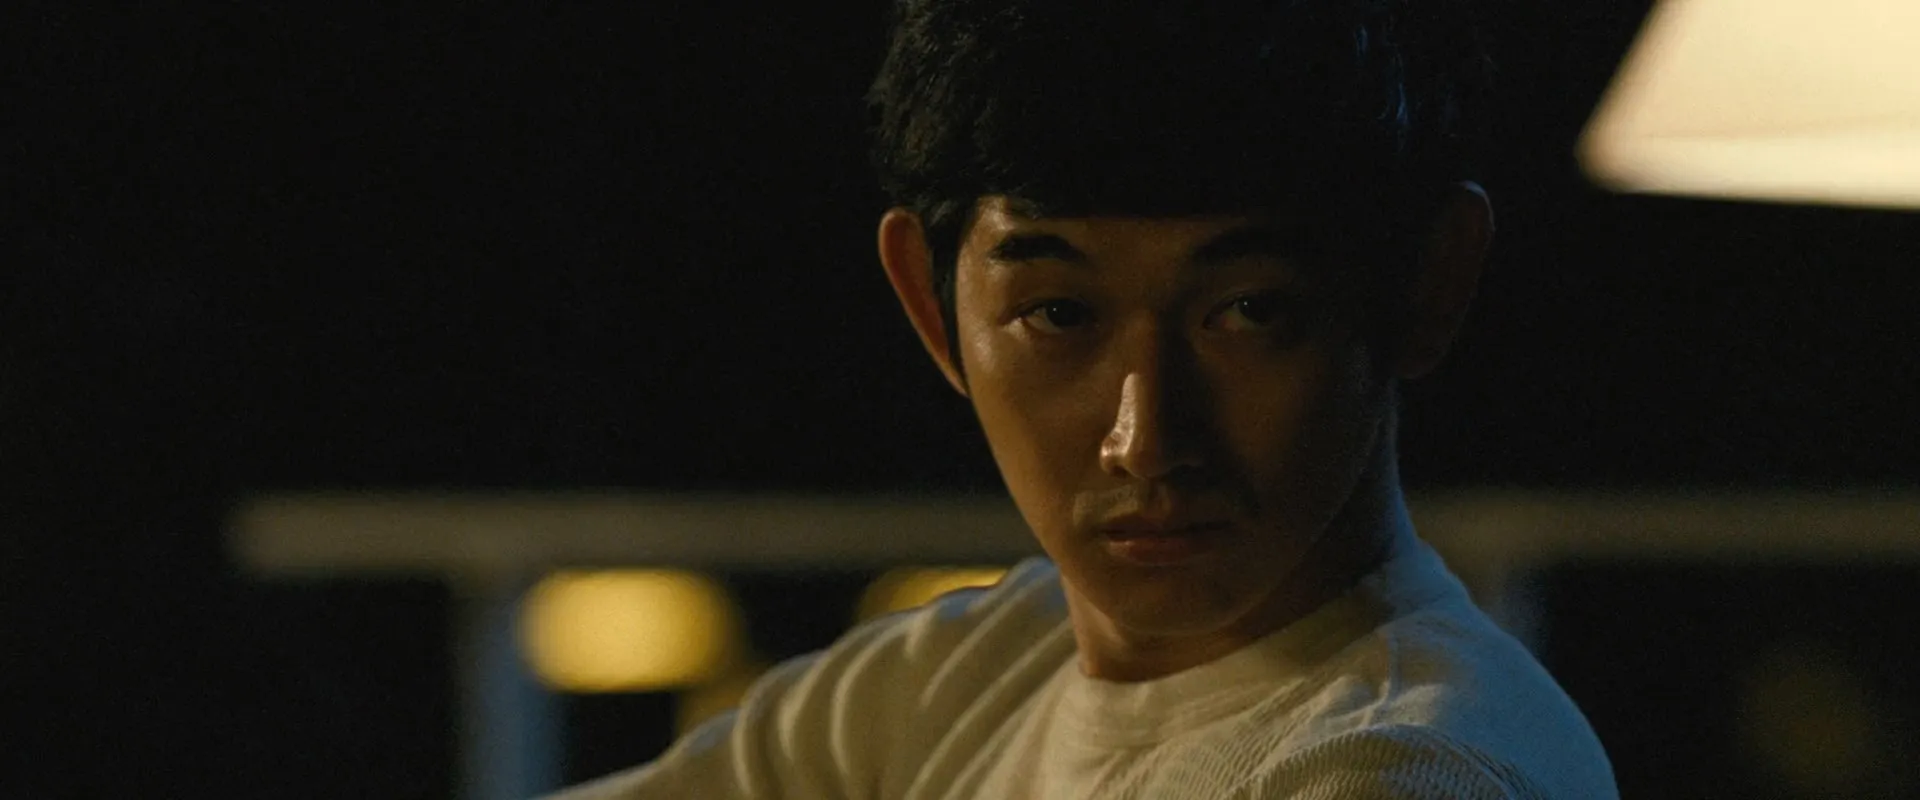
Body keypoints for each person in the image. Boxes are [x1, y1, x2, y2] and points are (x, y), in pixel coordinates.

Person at [555, 0, 1616, 796]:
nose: (1144, 439)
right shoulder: (965, 676)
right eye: (1059, 314)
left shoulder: (1413, 763)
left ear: (1430, 283)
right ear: (931, 305)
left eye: (1249, 311)